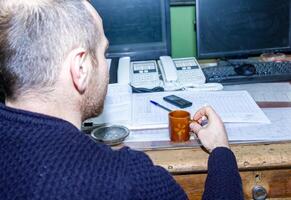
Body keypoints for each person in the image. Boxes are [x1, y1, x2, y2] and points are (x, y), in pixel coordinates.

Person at [0, 0, 243, 199]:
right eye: (103, 53)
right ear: (81, 68)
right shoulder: (128, 179)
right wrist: (221, 152)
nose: (106, 65)